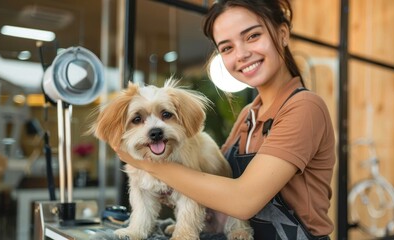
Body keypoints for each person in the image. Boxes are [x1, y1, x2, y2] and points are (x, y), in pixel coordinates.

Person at [113, 0, 336, 239]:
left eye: (252, 36)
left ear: (282, 34)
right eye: (227, 48)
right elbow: (212, 183)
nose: (242, 54)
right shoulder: (249, 115)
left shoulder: (304, 107)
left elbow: (243, 201)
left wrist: (145, 164)